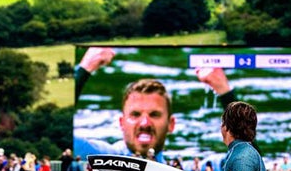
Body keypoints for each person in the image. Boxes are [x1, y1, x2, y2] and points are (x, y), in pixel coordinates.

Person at [74, 46, 236, 163]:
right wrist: (84, 69)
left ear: (171, 124)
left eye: (154, 115)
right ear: (121, 123)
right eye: (135, 115)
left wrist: (225, 92)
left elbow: (249, 166)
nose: (145, 123)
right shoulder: (98, 157)